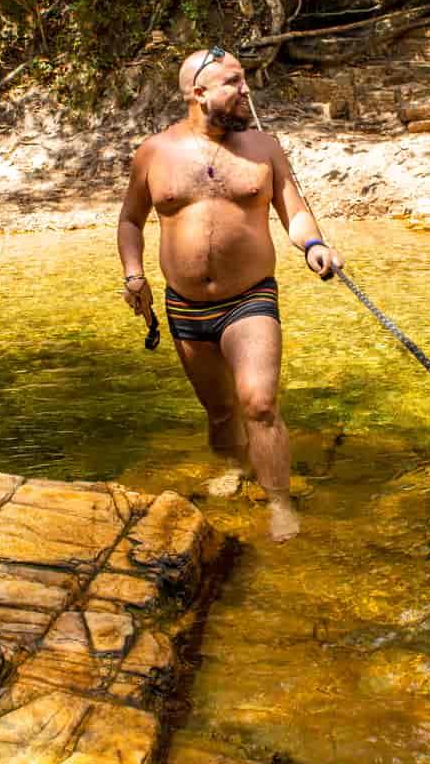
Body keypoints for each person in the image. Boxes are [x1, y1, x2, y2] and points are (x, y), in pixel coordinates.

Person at [116, 47, 343, 543]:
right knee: (221, 414)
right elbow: (131, 221)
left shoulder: (265, 147)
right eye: (234, 82)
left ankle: (279, 502)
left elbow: (295, 211)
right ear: (199, 93)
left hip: (250, 298)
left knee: (259, 403)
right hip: (184, 307)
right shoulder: (154, 153)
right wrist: (135, 276)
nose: (246, 91)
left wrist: (313, 245)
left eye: (244, 81)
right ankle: (239, 470)